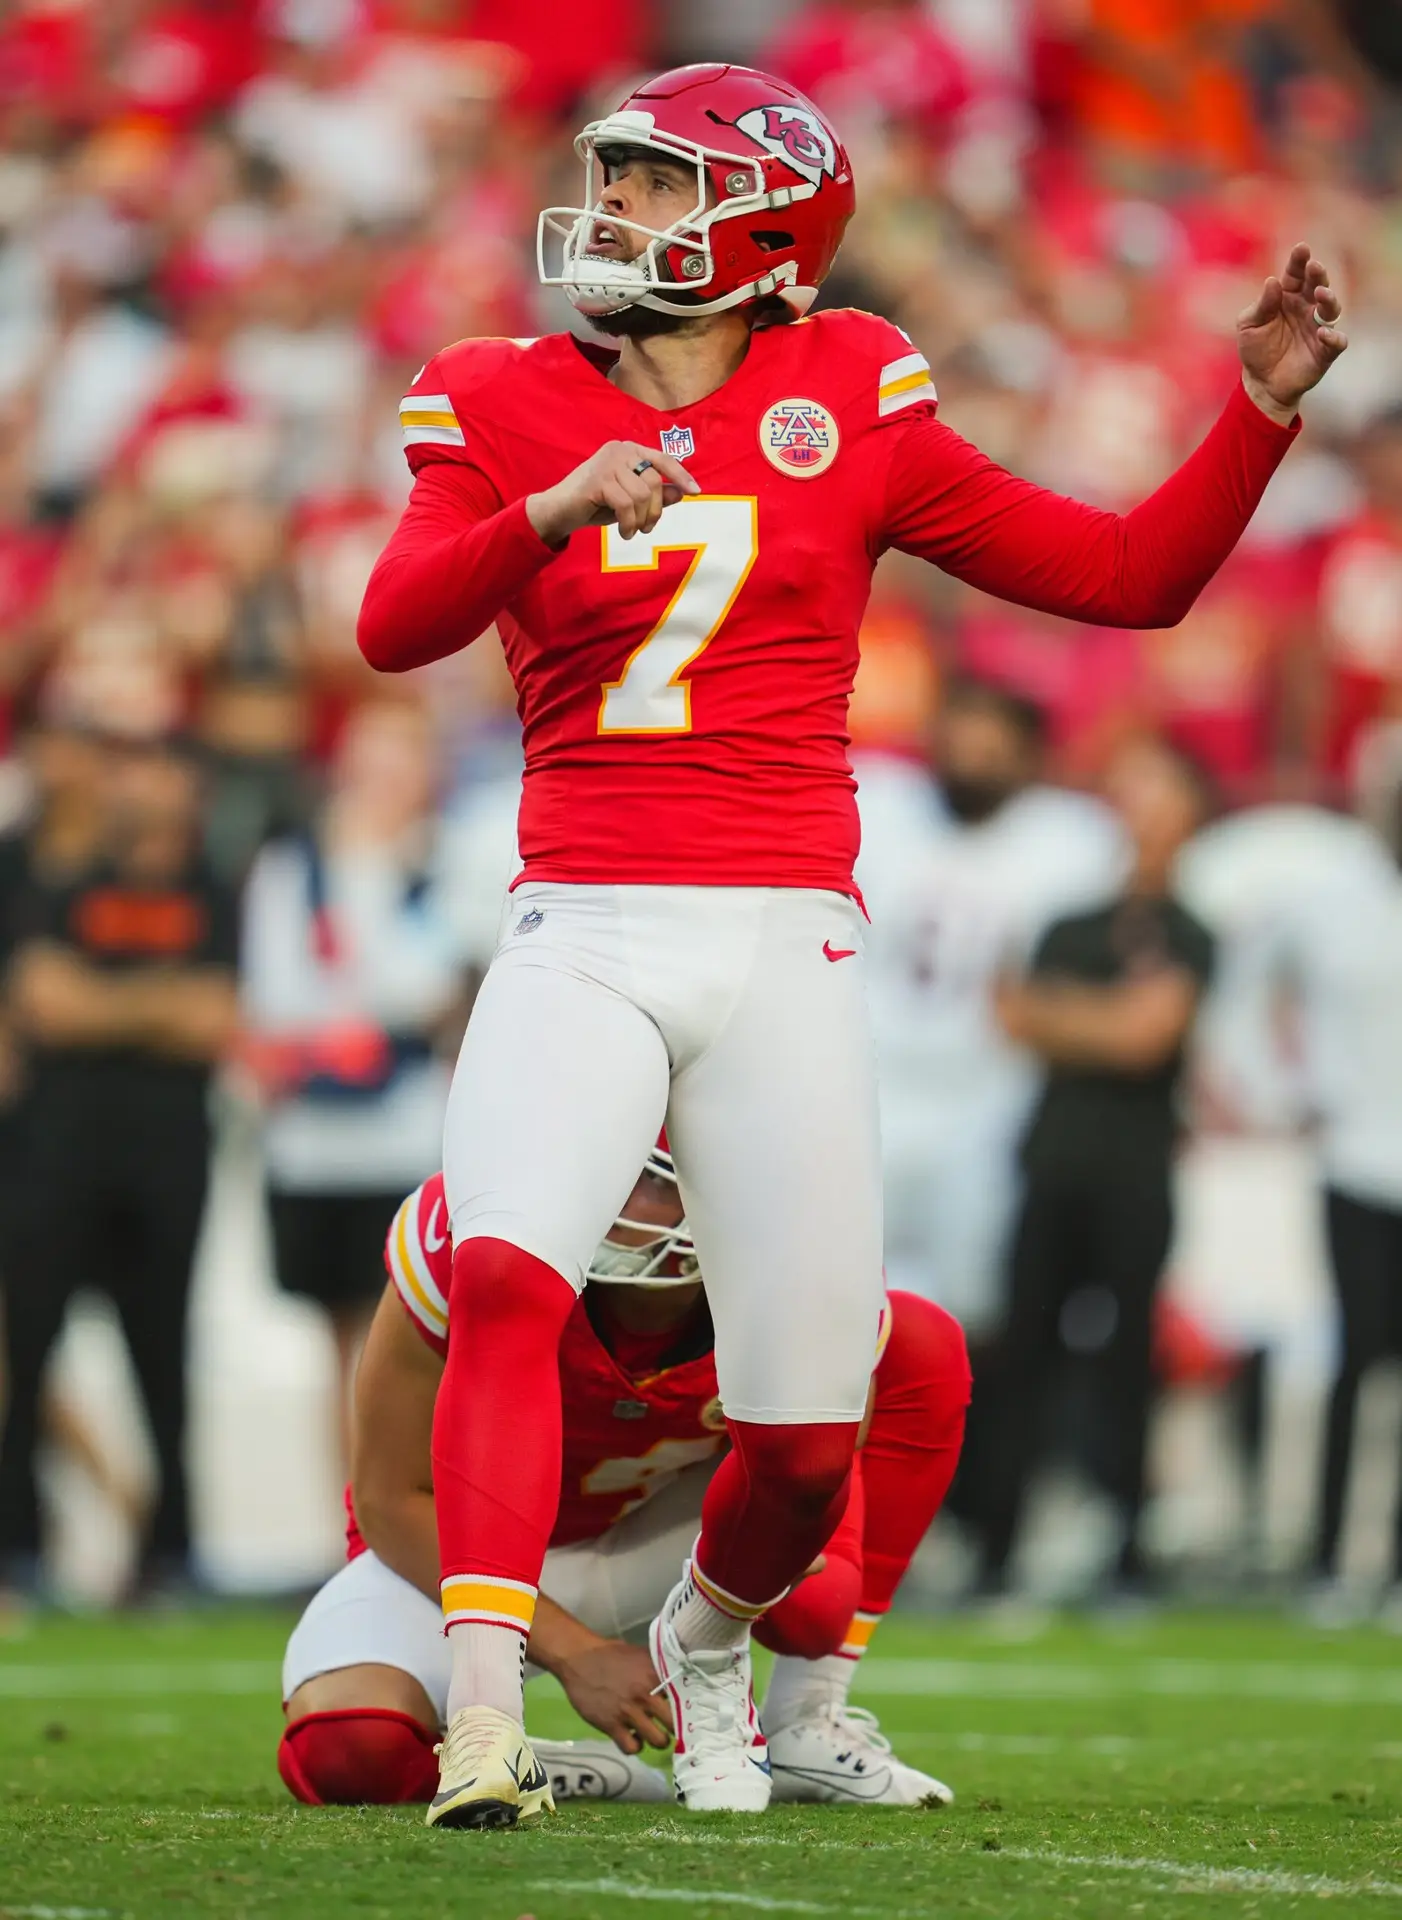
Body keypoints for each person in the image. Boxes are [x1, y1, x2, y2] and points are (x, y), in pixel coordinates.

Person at [355, 59, 1342, 1824]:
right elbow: (392, 622)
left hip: (788, 928)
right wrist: (553, 510)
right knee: (507, 1274)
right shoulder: (493, 395)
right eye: (624, 180)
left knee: (806, 1433)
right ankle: (487, 1719)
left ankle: (715, 1651)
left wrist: (1254, 415)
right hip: (581, 912)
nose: (621, 212)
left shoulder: (847, 385)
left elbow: (1125, 580)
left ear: (765, 239)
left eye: (663, 187)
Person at [278, 1144, 970, 1811]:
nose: (618, 1197)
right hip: (461, 1549)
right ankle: (540, 1762)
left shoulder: (795, 1268)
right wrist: (578, 1653)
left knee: (910, 1365)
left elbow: (811, 1511)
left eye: (658, 1181)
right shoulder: (470, 1229)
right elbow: (388, 1499)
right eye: (609, 1162)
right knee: (350, 1750)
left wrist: (750, 1592)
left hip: (667, 1542)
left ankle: (806, 1718)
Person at [0, 734, 239, 1598]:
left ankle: (170, 1552)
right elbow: (43, 1000)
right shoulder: (59, 883)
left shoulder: (213, 888)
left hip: (168, 1160)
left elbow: (216, 1016)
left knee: (165, 1357)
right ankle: (20, 1550)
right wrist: (159, 1004)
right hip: (53, 1159)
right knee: (28, 1353)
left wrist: (100, 1003)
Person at [982, 737, 1217, 1597]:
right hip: (1053, 1160)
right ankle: (994, 1546)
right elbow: (1011, 1014)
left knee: (1126, 1361)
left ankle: (1126, 1549)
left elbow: (1144, 1035)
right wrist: (1106, 1020)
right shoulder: (1071, 919)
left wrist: (1071, 1020)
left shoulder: (1192, 928)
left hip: (1134, 1170)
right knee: (1024, 1352)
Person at [240, 698, 466, 1481]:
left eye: (401, 761)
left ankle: (421, 1510)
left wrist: (368, 880)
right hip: (312, 1143)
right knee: (339, 1348)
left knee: (416, 1343)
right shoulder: (291, 866)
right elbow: (276, 996)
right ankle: (350, 1525)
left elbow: (426, 988)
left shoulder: (444, 866)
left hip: (408, 1137)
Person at [857, 677, 1123, 1332]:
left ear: (1032, 758)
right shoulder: (881, 800)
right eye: (961, 740)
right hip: (868, 1082)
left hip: (990, 1096)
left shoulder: (1072, 838)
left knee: (972, 1300)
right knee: (835, 1287)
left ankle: (962, 1430)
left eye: (993, 748)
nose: (971, 759)